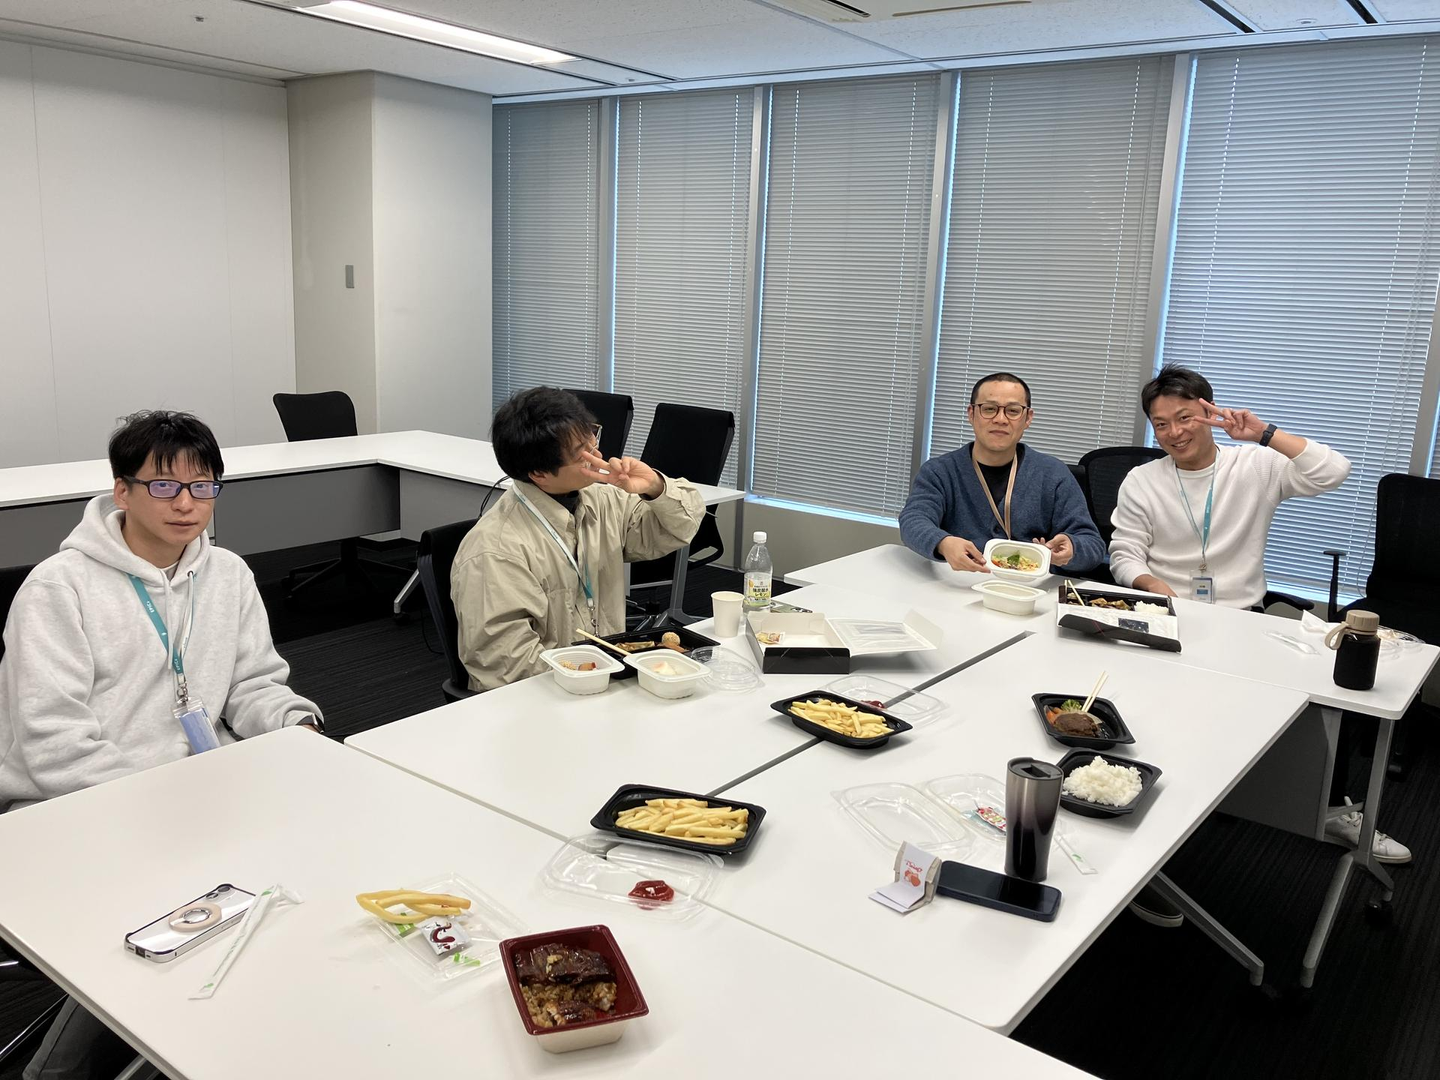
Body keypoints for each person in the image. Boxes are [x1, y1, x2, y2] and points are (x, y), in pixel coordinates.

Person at [0, 410, 323, 1079]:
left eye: (203, 487)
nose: (186, 504)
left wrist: (296, 730)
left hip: (201, 794)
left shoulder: (227, 574)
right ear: (122, 491)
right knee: (188, 907)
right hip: (72, 804)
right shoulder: (58, 589)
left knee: (308, 861)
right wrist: (167, 805)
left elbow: (253, 685)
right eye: (165, 486)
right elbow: (52, 743)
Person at [451, 387, 704, 691]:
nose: (598, 456)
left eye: (593, 439)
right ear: (540, 473)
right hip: (548, 696)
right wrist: (594, 680)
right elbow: (508, 667)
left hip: (605, 678)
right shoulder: (495, 551)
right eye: (581, 453)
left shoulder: (600, 499)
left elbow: (679, 529)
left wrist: (654, 487)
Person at [1109, 365, 1351, 609]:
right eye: (1161, 424)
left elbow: (1334, 471)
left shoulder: (1254, 466)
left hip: (1240, 614)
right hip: (1165, 608)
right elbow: (1125, 554)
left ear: (1211, 412)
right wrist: (1152, 585)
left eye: (1184, 418)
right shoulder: (1142, 480)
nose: (1175, 432)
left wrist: (1263, 434)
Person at [899, 372, 1104, 574]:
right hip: (960, 582)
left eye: (1013, 411)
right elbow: (913, 520)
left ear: (1028, 418)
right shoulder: (939, 472)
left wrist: (1073, 548)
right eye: (989, 409)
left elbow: (1092, 544)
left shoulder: (1053, 474)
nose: (1000, 419)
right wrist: (943, 543)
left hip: (1032, 589)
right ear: (971, 414)